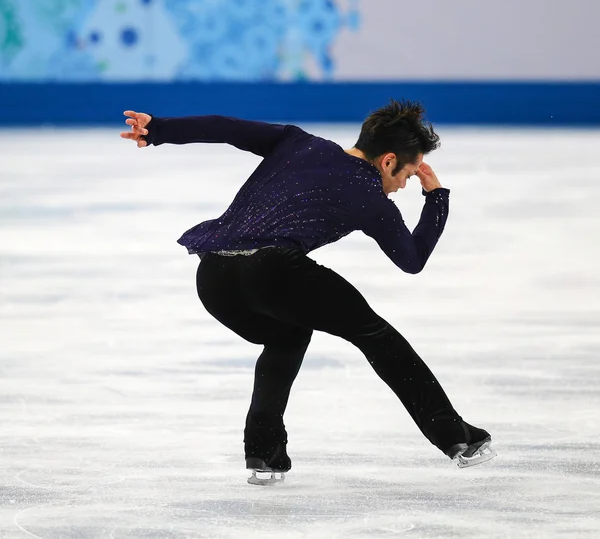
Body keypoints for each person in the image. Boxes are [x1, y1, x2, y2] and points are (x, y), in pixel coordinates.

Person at [120, 100, 496, 484]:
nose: (404, 184)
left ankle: (264, 454)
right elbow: (412, 259)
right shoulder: (371, 198)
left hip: (214, 276)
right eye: (409, 173)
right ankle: (455, 438)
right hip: (272, 270)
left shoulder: (298, 142)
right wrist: (436, 198)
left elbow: (226, 128)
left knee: (287, 334)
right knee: (377, 336)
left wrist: (160, 129)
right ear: (387, 161)